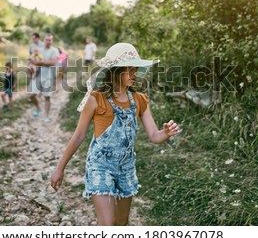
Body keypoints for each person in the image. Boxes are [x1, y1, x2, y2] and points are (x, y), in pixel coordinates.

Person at [50, 43, 180, 225]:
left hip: (126, 167)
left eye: (136, 69)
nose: (135, 74)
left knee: (121, 224)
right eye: (130, 69)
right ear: (116, 71)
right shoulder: (96, 99)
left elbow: (154, 136)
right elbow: (79, 135)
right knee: (108, 225)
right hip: (100, 165)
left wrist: (165, 133)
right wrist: (60, 168)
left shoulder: (139, 100)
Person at [29, 33, 59, 123]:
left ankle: (46, 116)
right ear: (44, 40)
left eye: (50, 40)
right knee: (31, 95)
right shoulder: (40, 50)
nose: (48, 41)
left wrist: (39, 63)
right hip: (38, 75)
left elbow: (53, 63)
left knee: (47, 97)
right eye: (47, 40)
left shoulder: (54, 50)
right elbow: (35, 62)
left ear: (52, 41)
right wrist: (33, 65)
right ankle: (38, 108)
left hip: (49, 77)